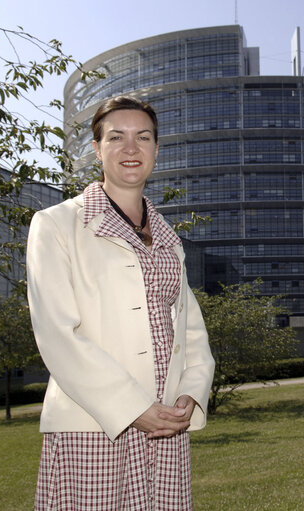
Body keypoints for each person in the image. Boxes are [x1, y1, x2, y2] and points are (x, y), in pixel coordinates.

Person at [26, 95, 215, 510]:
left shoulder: (168, 238)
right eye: (117, 137)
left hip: (164, 425)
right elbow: (59, 335)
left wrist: (191, 393)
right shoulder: (57, 225)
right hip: (93, 424)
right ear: (96, 149)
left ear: (156, 149)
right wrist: (133, 408)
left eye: (143, 137)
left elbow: (190, 331)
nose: (131, 148)